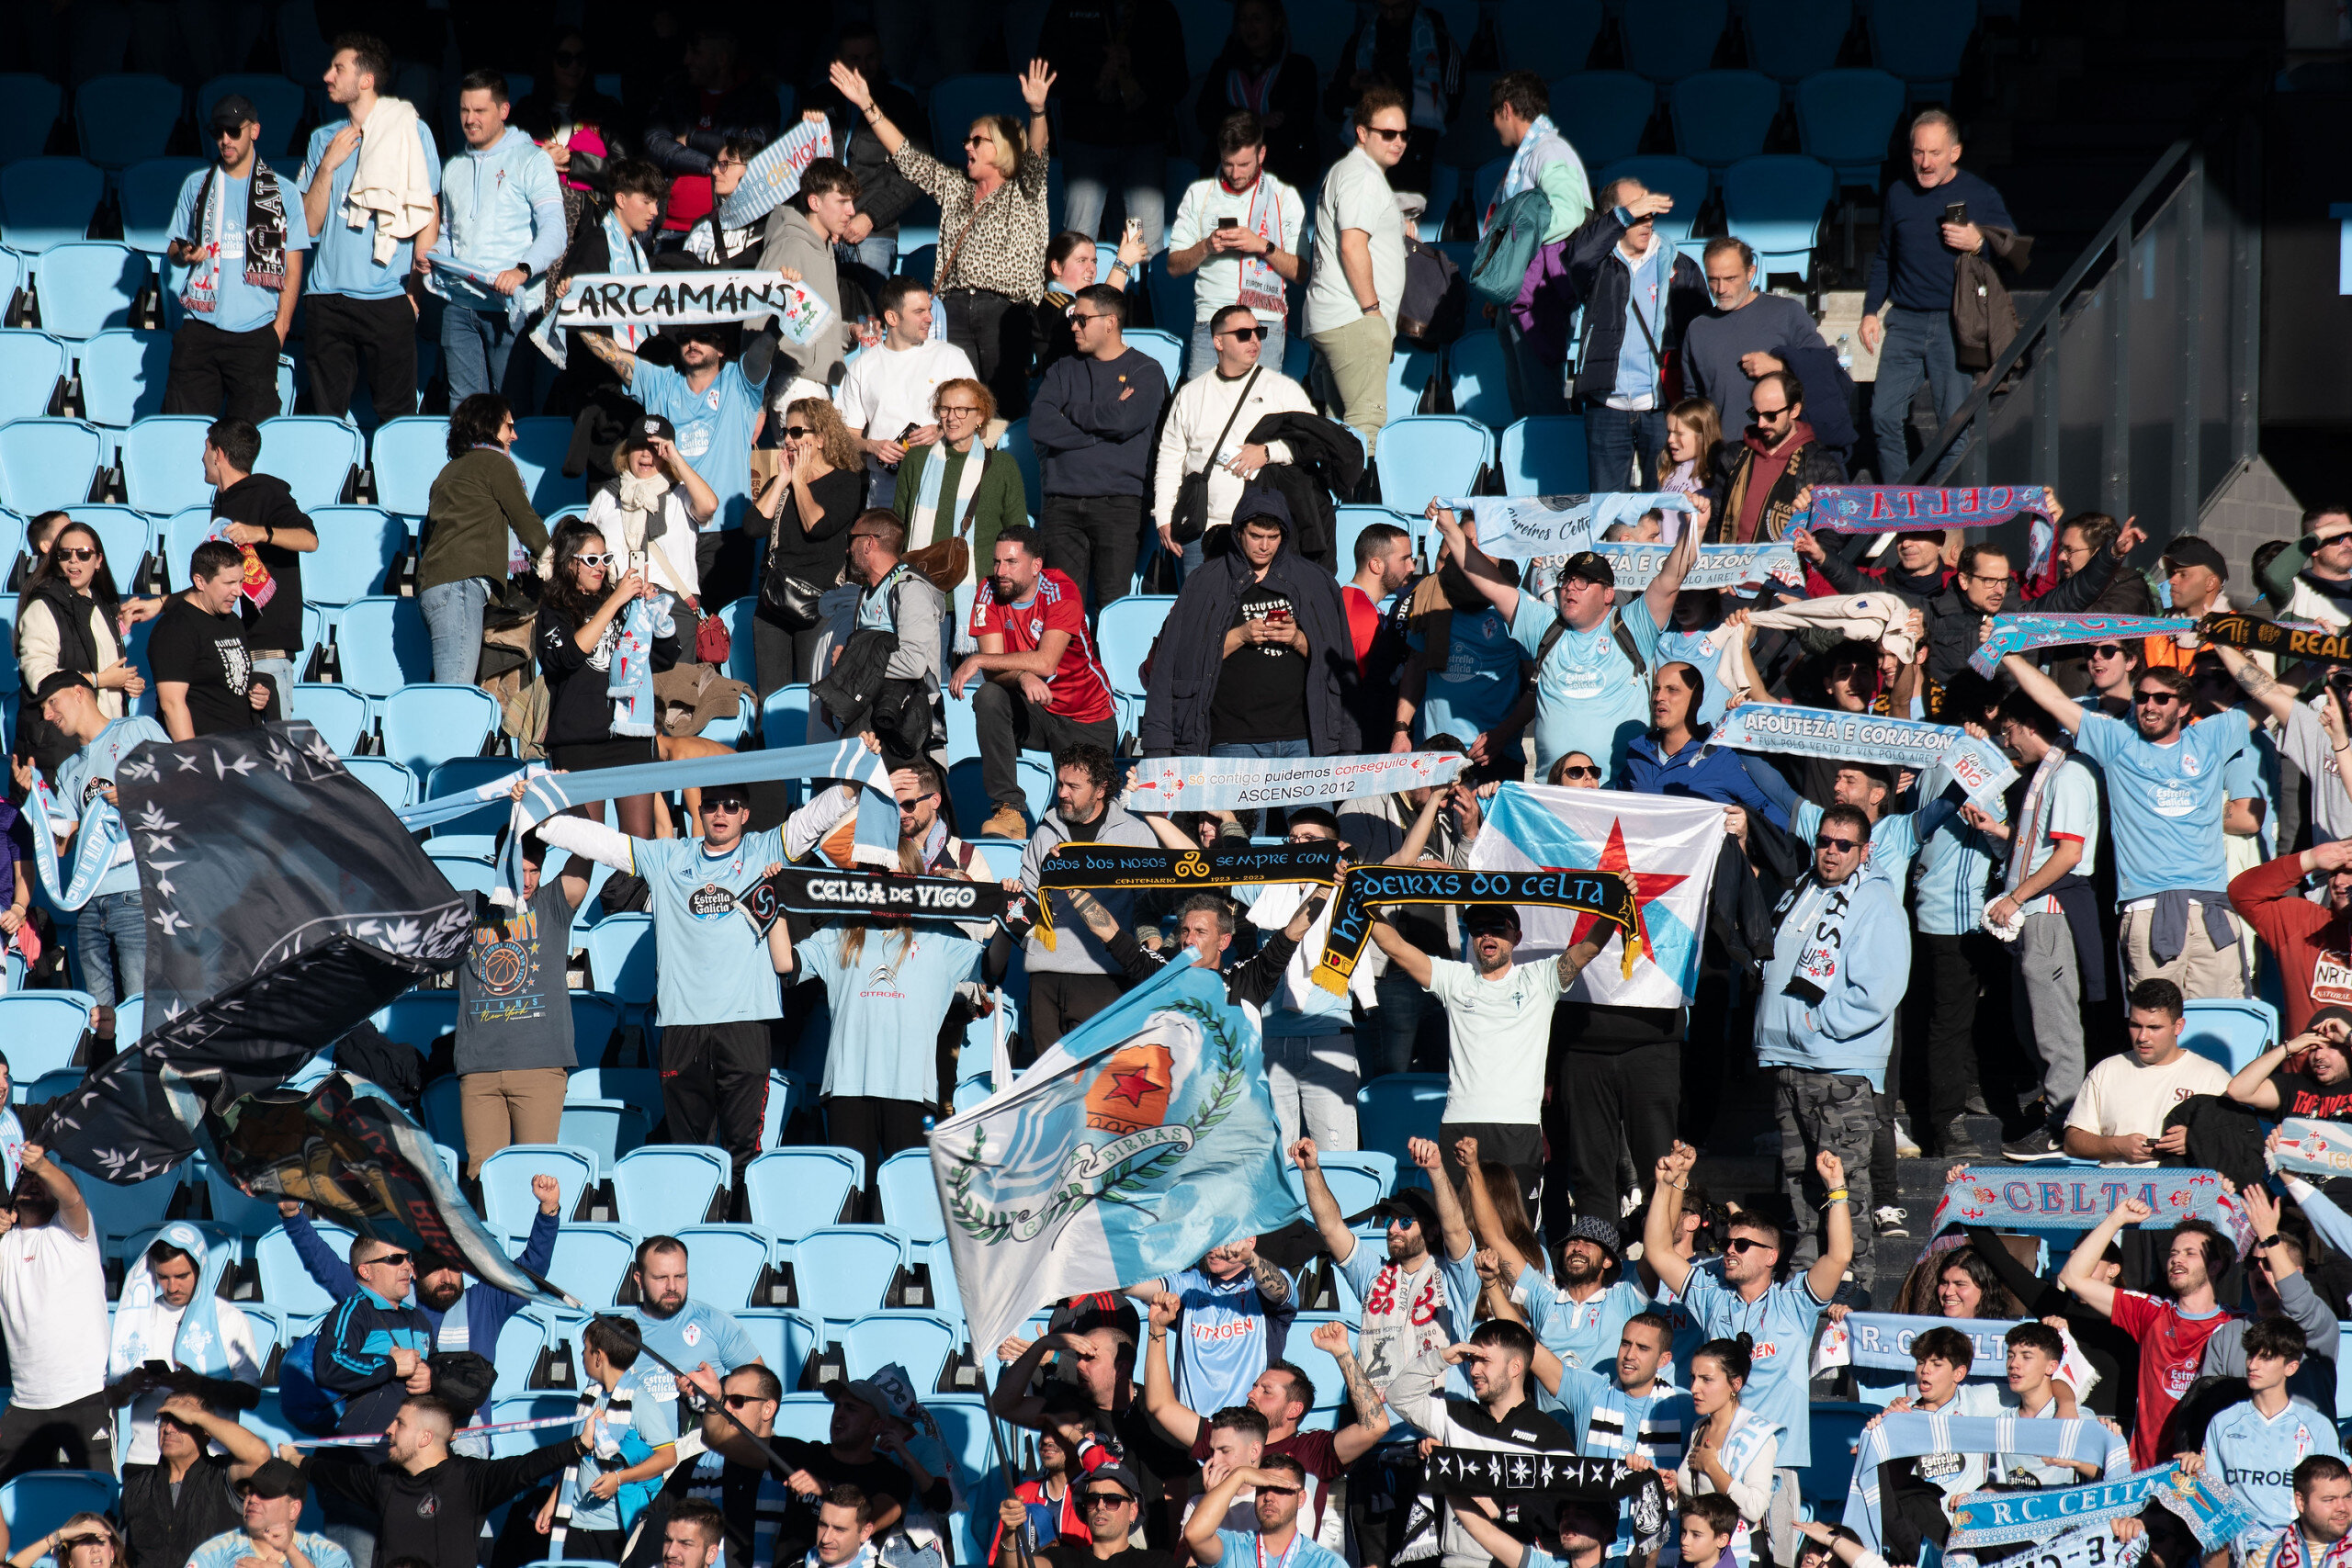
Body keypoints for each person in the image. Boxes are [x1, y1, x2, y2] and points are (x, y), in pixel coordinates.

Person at [532, 779, 791, 1180]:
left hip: (745, 1022)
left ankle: (739, 1221)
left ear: (746, 814)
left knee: (743, 1152)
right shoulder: (668, 855)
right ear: (698, 811)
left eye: (730, 805)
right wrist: (541, 814)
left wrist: (850, 786)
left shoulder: (765, 850)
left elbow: (815, 821)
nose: (720, 812)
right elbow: (604, 844)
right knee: (688, 1152)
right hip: (682, 1023)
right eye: (711, 805)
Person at [1645, 1141, 1850, 1568]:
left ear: (1771, 1256)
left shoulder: (1794, 1303)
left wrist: (1836, 1188)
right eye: (1727, 1242)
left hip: (1774, 1464)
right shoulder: (1711, 1296)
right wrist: (1668, 1185)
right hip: (1711, 1455)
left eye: (1742, 1244)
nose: (1730, 1250)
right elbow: (1659, 1252)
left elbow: (1839, 1255)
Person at [2005, 651, 2256, 996]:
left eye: (2162, 698)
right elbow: (2053, 699)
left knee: (2220, 1020)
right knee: (2153, 1022)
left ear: (2184, 707)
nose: (2149, 705)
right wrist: (2007, 652)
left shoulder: (2209, 737)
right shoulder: (2118, 741)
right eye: (2142, 697)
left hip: (2210, 909)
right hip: (2147, 909)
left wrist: (2311, 663)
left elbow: (2271, 698)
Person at [831, 57, 1057, 418]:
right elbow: (907, 157)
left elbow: (1037, 154)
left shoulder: (1024, 190)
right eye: (967, 139)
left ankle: (1003, 457)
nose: (967, 146)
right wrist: (867, 105)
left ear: (1002, 147)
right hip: (954, 311)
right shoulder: (957, 188)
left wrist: (1037, 111)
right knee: (957, 406)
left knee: (1004, 407)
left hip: (1005, 312)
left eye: (977, 140)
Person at [1369, 902, 1608, 1213]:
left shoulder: (1541, 977)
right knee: (1460, 1231)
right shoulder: (1454, 978)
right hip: (1459, 1125)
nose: (1486, 935)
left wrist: (1614, 905)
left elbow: (1589, 948)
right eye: (1478, 929)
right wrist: (1361, 900)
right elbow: (1395, 947)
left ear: (1516, 937)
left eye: (1497, 927)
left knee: (1515, 1230)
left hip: (1518, 1128)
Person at [1754, 800, 1906, 1284]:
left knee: (1844, 1186)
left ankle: (1853, 1282)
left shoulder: (1876, 900)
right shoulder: (1802, 888)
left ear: (1865, 851)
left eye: (1844, 844)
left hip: (1838, 1065)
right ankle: (1807, 1279)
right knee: (1800, 1186)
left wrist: (1818, 1023)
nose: (1832, 852)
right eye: (1824, 841)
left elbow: (1880, 988)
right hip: (1787, 1059)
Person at [1432, 505, 1696, 784]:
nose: (1570, 586)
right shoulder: (1544, 625)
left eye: (1583, 581)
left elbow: (1670, 580)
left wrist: (1695, 528)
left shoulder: (1633, 625)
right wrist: (1450, 528)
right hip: (1551, 793)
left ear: (1608, 594)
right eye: (1567, 579)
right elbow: (1491, 583)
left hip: (1619, 793)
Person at [765, 850, 985, 1179]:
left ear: (912, 876)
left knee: (905, 1193)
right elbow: (785, 964)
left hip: (912, 1090)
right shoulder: (840, 931)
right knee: (851, 1197)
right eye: (874, 874)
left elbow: (992, 967)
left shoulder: (939, 935)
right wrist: (775, 903)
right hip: (846, 1088)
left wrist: (1005, 917)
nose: (882, 884)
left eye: (891, 874)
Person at [1139, 491, 1361, 763]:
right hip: (1232, 742)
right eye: (1256, 536)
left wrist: (1298, 639)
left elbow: (1341, 662)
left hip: (1304, 741)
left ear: (1284, 535)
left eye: (1273, 537)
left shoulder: (1315, 581)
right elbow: (1175, 665)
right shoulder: (1204, 583)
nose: (1264, 546)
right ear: (1239, 532)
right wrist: (1240, 635)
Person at [1859, 111, 2016, 477]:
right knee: (1882, 415)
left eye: (1934, 152)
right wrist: (1869, 311)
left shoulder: (1981, 194)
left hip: (1954, 323)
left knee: (1954, 427)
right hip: (1905, 319)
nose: (1925, 162)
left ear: (1954, 153)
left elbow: (2016, 254)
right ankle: (1901, 502)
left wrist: (1980, 243)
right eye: (1918, 152)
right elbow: (1884, 257)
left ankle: (1942, 505)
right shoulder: (1899, 193)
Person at [1984, 694, 2103, 1162]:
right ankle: (2056, 1110)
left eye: (2009, 730)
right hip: (2032, 915)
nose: (2006, 741)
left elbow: (2069, 854)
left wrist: (2015, 897)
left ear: (2031, 725)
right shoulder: (2046, 773)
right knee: (2028, 1020)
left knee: (2055, 1026)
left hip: (2050, 912)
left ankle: (2065, 1124)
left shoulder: (2070, 774)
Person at [297, 34, 440, 423]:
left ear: (366, 80)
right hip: (327, 296)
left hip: (388, 296)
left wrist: (414, 296)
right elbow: (308, 224)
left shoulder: (413, 132)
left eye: (338, 68)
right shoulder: (322, 140)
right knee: (325, 418)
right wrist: (327, 166)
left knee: (397, 417)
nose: (327, 76)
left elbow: (428, 212)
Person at [288, 1394, 593, 1566]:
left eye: (400, 1424)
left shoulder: (470, 1480)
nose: (388, 1430)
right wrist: (296, 1460)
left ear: (425, 1437)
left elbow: (526, 1467)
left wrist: (580, 1445)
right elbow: (333, 1475)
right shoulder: (384, 1479)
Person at [14, 671, 166, 1013]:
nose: (48, 715)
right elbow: (62, 844)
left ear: (79, 693)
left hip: (136, 896)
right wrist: (35, 798)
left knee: (139, 1011)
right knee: (99, 1017)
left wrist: (134, 793)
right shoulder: (68, 769)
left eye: (53, 703)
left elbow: (182, 784)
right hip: (88, 905)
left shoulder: (136, 730)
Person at [573, 315, 775, 573]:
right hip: (671, 529)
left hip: (726, 532)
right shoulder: (659, 382)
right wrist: (572, 311)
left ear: (721, 348)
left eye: (702, 337)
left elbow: (763, 349)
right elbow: (613, 355)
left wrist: (778, 323)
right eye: (684, 338)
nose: (692, 343)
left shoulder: (739, 382)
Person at [952, 525, 1117, 840]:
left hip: (1084, 714)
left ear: (1036, 565)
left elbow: (1045, 662)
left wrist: (979, 659)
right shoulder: (988, 591)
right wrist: (1021, 675)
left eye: (1011, 562)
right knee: (989, 695)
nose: (1001, 571)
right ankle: (1009, 810)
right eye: (997, 561)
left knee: (1083, 822)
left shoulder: (1061, 591)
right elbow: (994, 671)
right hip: (1034, 709)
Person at [1142, 1330, 1379, 1543]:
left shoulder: (1313, 1448)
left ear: (1294, 1409)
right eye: (1255, 1386)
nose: (1251, 1394)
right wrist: (1157, 1328)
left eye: (1266, 1391)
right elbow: (1161, 1405)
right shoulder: (1227, 1438)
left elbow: (1374, 1426)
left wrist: (1342, 1352)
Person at [2059, 1195, 2242, 1467]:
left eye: (2190, 1253)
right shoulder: (2152, 1312)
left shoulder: (2238, 1324)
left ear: (2215, 1266)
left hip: (2208, 1472)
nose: (2177, 1260)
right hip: (2148, 1471)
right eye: (2173, 1253)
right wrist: (2116, 1219)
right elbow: (2072, 1276)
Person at [164, 94, 309, 422]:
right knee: (185, 429)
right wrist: (184, 254)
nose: (225, 140)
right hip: (200, 328)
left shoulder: (284, 192)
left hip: (256, 334)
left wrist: (280, 329)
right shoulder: (196, 185)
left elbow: (293, 266)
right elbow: (173, 249)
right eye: (218, 132)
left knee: (250, 438)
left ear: (254, 130)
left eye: (233, 131)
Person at [1385, 1321, 1577, 1568]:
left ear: (1515, 1367)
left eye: (1484, 1361)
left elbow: (1561, 1515)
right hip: (1455, 1562)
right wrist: (1442, 1358)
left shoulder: (1550, 1435)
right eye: (1472, 1361)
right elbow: (1398, 1397)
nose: (1474, 1370)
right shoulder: (1454, 1416)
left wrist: (1503, 1508)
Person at [1294, 1136, 1477, 1389]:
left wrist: (1435, 1170)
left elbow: (1455, 1230)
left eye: (1405, 1221)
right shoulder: (1374, 1273)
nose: (1393, 1229)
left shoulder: (1457, 1276)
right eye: (1390, 1220)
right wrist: (1311, 1171)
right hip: (1382, 1412)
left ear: (1433, 1230)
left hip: (1440, 1410)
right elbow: (1331, 1228)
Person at [536, 517, 677, 837]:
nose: (600, 567)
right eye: (591, 560)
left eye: (605, 558)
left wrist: (655, 615)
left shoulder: (623, 605)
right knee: (586, 848)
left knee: (636, 847)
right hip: (578, 740)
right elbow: (567, 657)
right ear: (570, 563)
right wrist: (615, 602)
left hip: (629, 737)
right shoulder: (554, 610)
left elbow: (664, 658)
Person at [1030, 283, 1169, 609]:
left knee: (1111, 604)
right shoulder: (1062, 368)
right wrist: (1100, 429)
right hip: (1061, 504)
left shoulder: (1146, 371)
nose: (1073, 326)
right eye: (1072, 319)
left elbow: (1125, 421)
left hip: (1118, 505)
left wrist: (1071, 411)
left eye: (1082, 319)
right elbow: (1040, 424)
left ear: (1110, 322)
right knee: (1062, 609)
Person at [1150, 305, 1317, 571]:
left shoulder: (1283, 390)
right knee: (1202, 600)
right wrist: (1163, 516)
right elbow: (1170, 459)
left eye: (1258, 332)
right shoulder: (1191, 394)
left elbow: (1314, 441)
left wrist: (1268, 453)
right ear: (1218, 342)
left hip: (1263, 533)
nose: (1254, 340)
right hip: (1202, 529)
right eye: (1243, 334)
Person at [433, 71, 564, 410]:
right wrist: (433, 254)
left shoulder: (531, 159)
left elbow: (555, 230)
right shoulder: (453, 167)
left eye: (480, 110)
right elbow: (449, 235)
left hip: (512, 309)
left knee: (511, 410)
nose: (470, 119)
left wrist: (521, 271)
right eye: (464, 110)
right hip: (461, 306)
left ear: (504, 111)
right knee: (464, 411)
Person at [1016, 746, 1160, 1050]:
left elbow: (1151, 903)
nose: (1062, 793)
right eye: (1060, 784)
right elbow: (1028, 897)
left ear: (1101, 789)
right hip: (1045, 976)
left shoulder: (1135, 834)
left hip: (1104, 976)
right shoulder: (1045, 831)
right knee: (1046, 1076)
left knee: (1096, 1075)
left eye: (1073, 786)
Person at [1565, 181, 1704, 486]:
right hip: (1607, 405)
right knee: (1608, 508)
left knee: (1665, 504)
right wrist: (1623, 216)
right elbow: (1576, 257)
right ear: (1613, 218)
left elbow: (1700, 339)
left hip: (1661, 406)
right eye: (1636, 213)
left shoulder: (1681, 267)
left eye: (1649, 212)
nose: (1647, 220)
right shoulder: (1598, 264)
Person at [417, 394, 550, 687]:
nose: (515, 435)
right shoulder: (495, 463)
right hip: (460, 587)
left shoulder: (449, 470)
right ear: (489, 425)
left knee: (453, 685)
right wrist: (555, 561)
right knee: (455, 690)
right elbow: (526, 523)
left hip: (435, 587)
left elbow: (428, 539)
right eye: (509, 426)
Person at [106, 1224, 262, 1472]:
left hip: (210, 1460)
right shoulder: (136, 1319)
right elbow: (109, 1398)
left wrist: (199, 1385)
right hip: (145, 1460)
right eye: (163, 1277)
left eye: (181, 1276)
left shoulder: (229, 1319)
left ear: (200, 1269)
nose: (172, 1287)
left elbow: (250, 1396)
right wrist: (128, 1385)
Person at [1304, 87, 1409, 450]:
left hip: (1337, 318)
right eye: (1388, 133)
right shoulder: (1362, 175)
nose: (1399, 142)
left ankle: (1336, 493)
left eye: (1404, 134)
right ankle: (1357, 492)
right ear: (1362, 132)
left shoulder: (1349, 172)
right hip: (1354, 318)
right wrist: (1373, 311)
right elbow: (1352, 245)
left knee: (1338, 436)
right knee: (1364, 431)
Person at [1166, 113, 1306, 379]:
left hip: (1264, 322)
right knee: (1203, 404)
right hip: (1212, 319)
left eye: (1243, 164)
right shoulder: (1199, 193)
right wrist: (1206, 247)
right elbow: (1174, 267)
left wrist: (1261, 245)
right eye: (1228, 164)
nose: (1235, 173)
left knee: (1259, 406)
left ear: (1261, 154)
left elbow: (1300, 272)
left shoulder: (1284, 196)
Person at [1485, 73, 1591, 420]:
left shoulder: (1548, 150)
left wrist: (1513, 247)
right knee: (1524, 407)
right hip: (1518, 292)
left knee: (1542, 408)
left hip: (1539, 298)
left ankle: (1551, 458)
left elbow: (1569, 213)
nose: (1493, 125)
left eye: (1492, 115)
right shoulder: (1528, 155)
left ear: (1506, 109)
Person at [0, 1143, 109, 1477]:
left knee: (97, 1499)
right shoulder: (5, 1244)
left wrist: (42, 1166)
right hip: (25, 1401)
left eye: (41, 1179)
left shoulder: (73, 1232)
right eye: (25, 1177)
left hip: (83, 1396)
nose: (33, 1182)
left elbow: (72, 1198)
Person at [12, 520, 151, 778]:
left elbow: (103, 665)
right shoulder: (43, 607)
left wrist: (126, 683)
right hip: (61, 748)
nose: (73, 560)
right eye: (65, 554)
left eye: (83, 554)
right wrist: (101, 680)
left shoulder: (102, 604)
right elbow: (40, 680)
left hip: (106, 743)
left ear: (98, 561)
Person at [197, 417, 316, 716]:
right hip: (231, 653)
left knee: (272, 745)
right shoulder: (222, 502)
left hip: (265, 657)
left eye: (206, 448)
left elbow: (310, 539)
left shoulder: (266, 492)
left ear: (218, 454)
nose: (202, 457)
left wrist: (261, 533)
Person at [537, 1316, 678, 1559]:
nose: (582, 1355)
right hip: (575, 1522)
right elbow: (577, 1457)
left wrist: (619, 1478)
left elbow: (668, 1456)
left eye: (586, 1349)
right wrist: (553, 1501)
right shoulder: (589, 1396)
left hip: (615, 1529)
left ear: (599, 1356)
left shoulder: (639, 1400)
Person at [754, 397, 868, 697]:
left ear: (820, 439)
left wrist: (800, 482)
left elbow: (817, 527)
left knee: (812, 696)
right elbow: (753, 527)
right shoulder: (783, 481)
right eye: (785, 432)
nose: (787, 439)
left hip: (819, 606)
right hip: (773, 603)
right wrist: (783, 480)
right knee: (769, 697)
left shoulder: (846, 482)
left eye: (796, 432)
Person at [2198, 1318, 2342, 1551]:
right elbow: (2212, 1498)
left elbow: (2331, 1501)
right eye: (2250, 1355)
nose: (2253, 1365)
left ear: (2291, 1367)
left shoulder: (2317, 1427)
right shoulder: (2222, 1423)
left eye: (2265, 1358)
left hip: (2297, 1551)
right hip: (2237, 1551)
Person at [2062, 977, 2230, 1167]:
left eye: (2154, 1027)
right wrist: (2117, 1146)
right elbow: (2073, 1142)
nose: (2142, 1037)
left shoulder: (2210, 1077)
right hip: (2117, 1184)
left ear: (2179, 1026)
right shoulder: (2106, 1071)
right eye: (2135, 1025)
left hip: (2180, 1184)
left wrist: (2195, 1140)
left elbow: (2240, 1142)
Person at [1125, 1236, 1299, 1419]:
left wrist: (1250, 1258)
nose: (1213, 1247)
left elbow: (1280, 1291)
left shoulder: (1261, 1286)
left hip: (1248, 1427)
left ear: (1250, 1241)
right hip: (1190, 1429)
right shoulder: (1189, 1284)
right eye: (1209, 1237)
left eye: (1222, 1237)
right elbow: (1134, 1286)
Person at [812, 25, 930, 293]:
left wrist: (871, 217)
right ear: (838, 61)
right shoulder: (817, 100)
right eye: (854, 58)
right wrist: (817, 219)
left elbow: (917, 173)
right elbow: (795, 167)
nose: (863, 66)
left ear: (881, 56)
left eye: (871, 57)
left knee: (866, 310)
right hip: (818, 226)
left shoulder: (901, 104)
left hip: (870, 231)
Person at [838, 278, 978, 499]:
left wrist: (942, 431)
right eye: (919, 312)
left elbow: (981, 419)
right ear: (892, 318)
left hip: (942, 484)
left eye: (929, 310)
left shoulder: (951, 357)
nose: (929, 318)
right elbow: (845, 435)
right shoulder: (863, 366)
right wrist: (872, 446)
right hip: (885, 491)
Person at [638, 28, 779, 240]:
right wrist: (711, 164)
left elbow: (750, 146)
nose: (686, 60)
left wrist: (692, 139)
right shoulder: (676, 94)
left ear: (721, 59)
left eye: (696, 52)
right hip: (668, 229)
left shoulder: (757, 100)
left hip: (729, 231)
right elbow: (654, 142)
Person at [1681, 240, 1825, 442]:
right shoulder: (1698, 328)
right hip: (1724, 451)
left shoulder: (1787, 313)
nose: (1721, 288)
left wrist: (1780, 367)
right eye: (1713, 279)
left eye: (1730, 278)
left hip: (1781, 449)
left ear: (1751, 272)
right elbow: (1694, 399)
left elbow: (1824, 366)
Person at [754, 158, 864, 412]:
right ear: (815, 202)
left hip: (814, 384)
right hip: (793, 383)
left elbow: (814, 324)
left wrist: (849, 332)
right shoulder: (790, 245)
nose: (851, 211)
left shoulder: (824, 248)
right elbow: (757, 320)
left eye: (852, 202)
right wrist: (757, 401)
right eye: (842, 201)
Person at [1322, 0, 1464, 196]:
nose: (1389, 15)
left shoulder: (1439, 43)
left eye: (1397, 7)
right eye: (1383, 7)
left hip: (1412, 158)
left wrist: (1393, 97)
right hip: (1359, 158)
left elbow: (1451, 108)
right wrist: (1353, 89)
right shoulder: (1362, 41)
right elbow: (1330, 107)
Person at [896, 378, 1025, 581]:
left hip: (981, 588)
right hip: (918, 587)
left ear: (980, 416)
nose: (951, 417)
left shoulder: (1002, 466)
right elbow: (898, 527)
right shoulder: (916, 460)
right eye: (945, 409)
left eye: (961, 410)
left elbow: (1018, 534)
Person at [125, 1394, 276, 1568]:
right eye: (165, 1420)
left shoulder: (221, 1476)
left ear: (205, 1430)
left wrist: (197, 1415)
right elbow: (123, 1556)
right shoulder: (138, 1486)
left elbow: (260, 1455)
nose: (168, 1429)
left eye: (180, 1420)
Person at [585, 414, 715, 608]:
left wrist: (676, 459)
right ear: (627, 451)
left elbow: (709, 506)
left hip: (674, 605)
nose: (646, 455)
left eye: (655, 449)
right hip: (616, 602)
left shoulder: (681, 494)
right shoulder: (608, 495)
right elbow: (583, 549)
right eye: (639, 446)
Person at [150, 539, 275, 738]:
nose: (238, 591)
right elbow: (172, 705)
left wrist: (257, 691)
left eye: (240, 582)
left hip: (241, 745)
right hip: (205, 749)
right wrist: (192, 753)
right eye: (229, 583)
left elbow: (234, 679)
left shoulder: (232, 620)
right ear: (200, 581)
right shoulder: (176, 628)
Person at [510, 28, 626, 239]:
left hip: (591, 222)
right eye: (564, 59)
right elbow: (504, 164)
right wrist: (540, 160)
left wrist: (572, 162)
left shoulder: (606, 111)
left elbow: (625, 173)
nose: (574, 66)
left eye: (580, 59)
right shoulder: (526, 111)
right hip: (533, 221)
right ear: (549, 62)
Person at [1194, 0, 1320, 192]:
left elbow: (1296, 123)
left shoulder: (1299, 68)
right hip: (1226, 176)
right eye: (1243, 19)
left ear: (1276, 22)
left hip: (1281, 175)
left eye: (1257, 19)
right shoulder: (1223, 68)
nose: (1249, 27)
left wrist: (1258, 164)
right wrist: (1256, 121)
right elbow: (1205, 118)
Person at [1708, 370, 1846, 546]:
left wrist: (1809, 522)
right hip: (1731, 560)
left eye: (1770, 415)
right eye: (1755, 414)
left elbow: (1831, 537)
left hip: (1787, 561)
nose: (1761, 423)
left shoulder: (1822, 465)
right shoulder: (1733, 455)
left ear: (1794, 410)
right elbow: (1714, 520)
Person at [1672, 1338, 1778, 1565]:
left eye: (1706, 1379)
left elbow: (1754, 1507)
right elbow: (1699, 1502)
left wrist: (1712, 1467)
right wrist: (1674, 1490)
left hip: (1740, 1556)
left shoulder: (1758, 1434)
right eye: (1693, 1378)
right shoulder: (1699, 1429)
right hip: (1698, 1555)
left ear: (1735, 1384)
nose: (1694, 1388)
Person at [622, 1237, 764, 1404]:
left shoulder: (717, 1323)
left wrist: (718, 1394)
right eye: (661, 1277)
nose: (672, 1286)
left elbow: (761, 1390)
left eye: (680, 1276)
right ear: (639, 1280)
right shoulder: (617, 1332)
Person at [1183, 1456, 1346, 1568]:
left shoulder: (1326, 1563)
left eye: (1279, 1489)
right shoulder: (1234, 1548)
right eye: (1262, 1488)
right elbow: (1194, 1535)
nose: (1268, 1497)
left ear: (1301, 1499)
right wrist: (1240, 1474)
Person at [182, 1463, 349, 1568]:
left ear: (293, 1509)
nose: (252, 1499)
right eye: (250, 1492)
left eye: (265, 1494)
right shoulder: (214, 1552)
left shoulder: (327, 1553)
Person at [2240, 1457, 2352, 1568]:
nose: (2342, 1507)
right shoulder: (2263, 1559)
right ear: (2301, 1502)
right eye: (2329, 1500)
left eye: (2348, 1496)